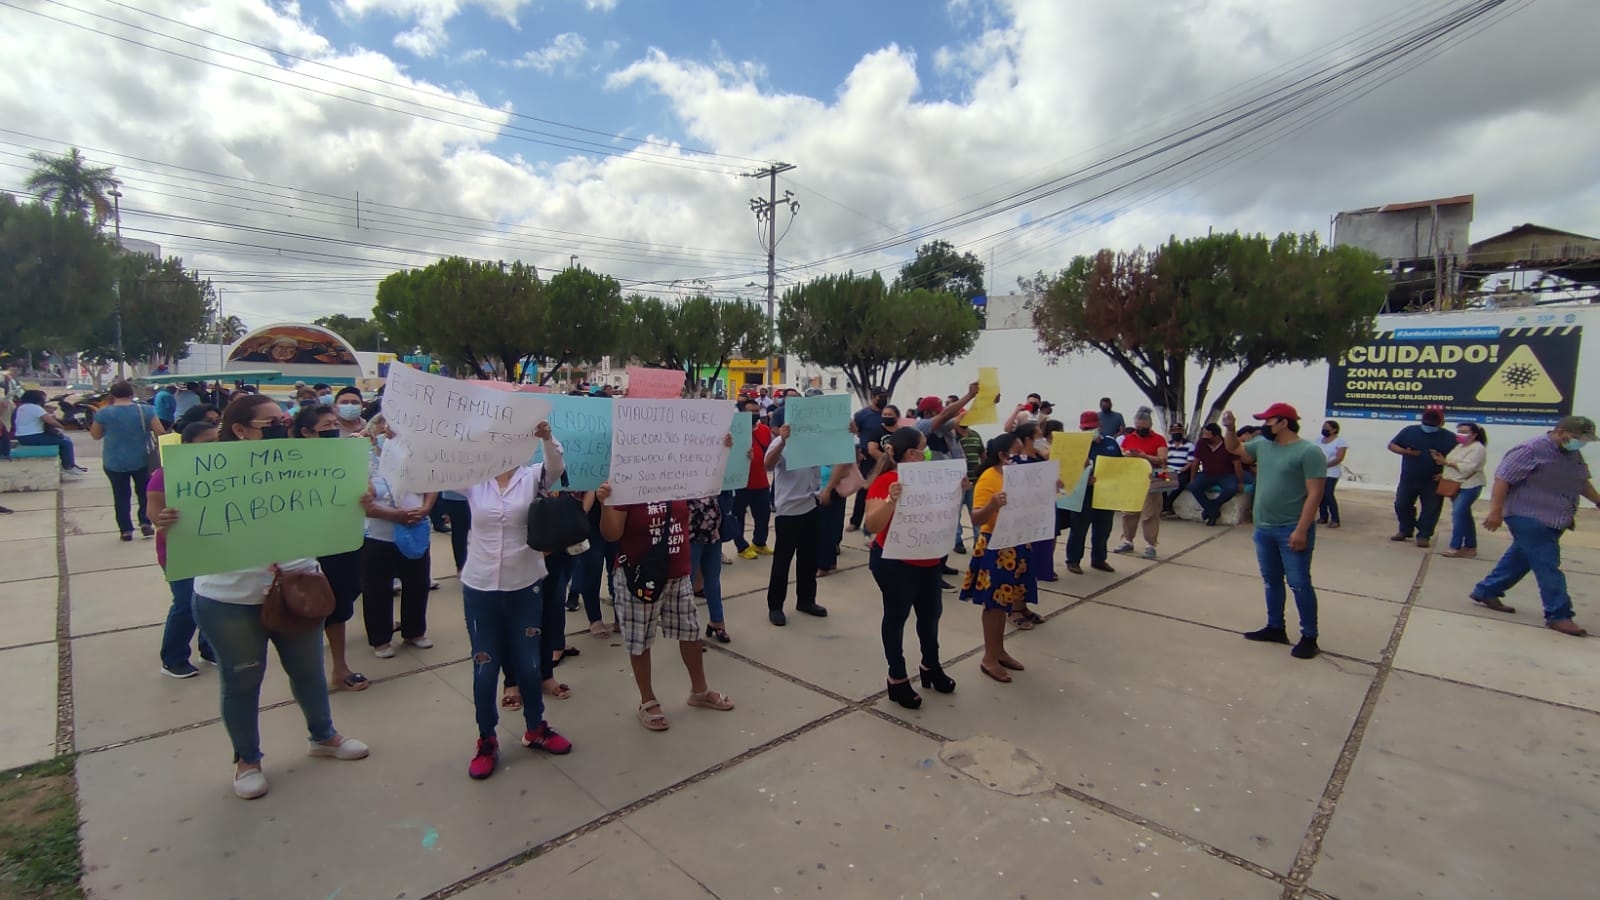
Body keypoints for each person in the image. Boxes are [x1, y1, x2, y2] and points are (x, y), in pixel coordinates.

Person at [154, 394, 369, 799]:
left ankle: (323, 736)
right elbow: (179, 525)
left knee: (307, 670)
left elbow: (332, 509)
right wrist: (169, 522)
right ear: (240, 429)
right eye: (271, 421)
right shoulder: (205, 471)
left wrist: (357, 501)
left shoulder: (304, 462)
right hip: (229, 598)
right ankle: (247, 760)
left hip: (299, 585)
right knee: (242, 679)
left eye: (283, 419)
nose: (283, 424)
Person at [459, 420, 574, 779]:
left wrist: (547, 437)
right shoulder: (473, 478)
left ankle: (536, 727)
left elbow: (557, 466)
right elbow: (429, 469)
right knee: (485, 669)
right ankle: (486, 739)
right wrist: (399, 442)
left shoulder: (532, 476)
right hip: (480, 588)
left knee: (527, 665)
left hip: (525, 584)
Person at [597, 482, 735, 732]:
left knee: (691, 631)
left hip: (678, 572)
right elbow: (612, 534)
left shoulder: (677, 478)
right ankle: (647, 700)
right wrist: (605, 503)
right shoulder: (625, 482)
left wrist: (724, 447)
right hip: (640, 576)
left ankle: (699, 690)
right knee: (640, 640)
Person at [1470, 416, 1598, 636]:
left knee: (1520, 558)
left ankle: (1486, 590)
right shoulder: (1530, 449)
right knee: (1547, 564)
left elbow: (1581, 481)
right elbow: (1503, 479)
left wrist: (1598, 500)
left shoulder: (1572, 453)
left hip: (1556, 518)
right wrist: (1495, 512)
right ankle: (1559, 614)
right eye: (1576, 438)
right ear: (1559, 431)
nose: (1580, 442)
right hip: (1527, 515)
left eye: (1584, 439)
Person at [1223, 402, 1327, 660]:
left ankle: (1309, 637)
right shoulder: (1263, 446)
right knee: (1271, 581)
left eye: (1268, 421)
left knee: (1300, 584)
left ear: (1283, 422)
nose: (1264, 426)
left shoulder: (1309, 452)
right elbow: (1234, 448)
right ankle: (1275, 627)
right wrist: (1230, 428)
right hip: (1264, 528)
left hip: (1292, 528)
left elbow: (1315, 493)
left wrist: (1302, 529)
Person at [865, 427, 958, 708]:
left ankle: (930, 665)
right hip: (894, 563)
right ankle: (897, 677)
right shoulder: (888, 481)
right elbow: (872, 524)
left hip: (928, 561)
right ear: (911, 453)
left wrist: (955, 490)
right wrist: (892, 500)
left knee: (930, 617)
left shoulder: (933, 480)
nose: (927, 452)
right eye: (923, 447)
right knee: (896, 618)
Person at [291, 405, 369, 692]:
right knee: (307, 608)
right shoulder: (287, 462)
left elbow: (365, 491)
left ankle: (339, 667)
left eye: (336, 422)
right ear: (306, 432)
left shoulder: (346, 456)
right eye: (327, 424)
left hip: (341, 542)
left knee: (339, 603)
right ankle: (316, 671)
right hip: (304, 546)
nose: (334, 427)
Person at [359, 416, 437, 659]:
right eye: (385, 427)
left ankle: (414, 631)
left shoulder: (415, 455)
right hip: (378, 536)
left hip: (415, 532)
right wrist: (395, 516)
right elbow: (364, 503)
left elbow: (432, 484)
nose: (389, 431)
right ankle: (380, 639)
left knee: (417, 583)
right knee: (377, 589)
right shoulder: (363, 458)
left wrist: (424, 509)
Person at [146, 421, 217, 678]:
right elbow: (153, 511)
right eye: (207, 442)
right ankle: (173, 657)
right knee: (186, 603)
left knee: (212, 601)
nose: (215, 447)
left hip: (214, 549)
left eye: (217, 440)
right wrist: (162, 519)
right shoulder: (164, 475)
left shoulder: (225, 473)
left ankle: (209, 649)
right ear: (187, 446)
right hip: (179, 551)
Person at [959, 432, 1031, 682]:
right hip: (995, 546)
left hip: (1015, 543)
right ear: (1002, 455)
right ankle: (989, 657)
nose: (1022, 456)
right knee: (993, 604)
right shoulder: (989, 478)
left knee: (1006, 602)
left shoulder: (1019, 477)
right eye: (1017, 451)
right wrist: (993, 505)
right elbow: (977, 518)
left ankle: (999, 650)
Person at [763, 423, 842, 626]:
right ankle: (775, 606)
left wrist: (847, 433)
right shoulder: (782, 442)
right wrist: (782, 441)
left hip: (811, 506)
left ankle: (806, 600)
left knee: (808, 559)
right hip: (788, 511)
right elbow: (768, 465)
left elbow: (840, 456)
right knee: (782, 561)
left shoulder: (816, 444)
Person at [89, 381, 166, 541]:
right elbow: (160, 431)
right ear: (131, 393)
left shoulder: (103, 413)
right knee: (145, 492)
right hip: (142, 458)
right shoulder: (146, 410)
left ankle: (126, 530)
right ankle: (145, 523)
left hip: (113, 460)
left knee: (121, 495)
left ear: (111, 395)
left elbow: (95, 435)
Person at [1388, 408, 1459, 548]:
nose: (1429, 426)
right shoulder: (1409, 431)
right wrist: (1405, 452)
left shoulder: (1450, 437)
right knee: (1401, 504)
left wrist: (1445, 473)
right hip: (1409, 478)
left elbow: (1457, 459)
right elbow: (1392, 445)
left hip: (1433, 480)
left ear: (1441, 423)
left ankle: (1424, 535)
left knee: (1431, 508)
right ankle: (1405, 530)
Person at [1065, 411, 1122, 574]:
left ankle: (1099, 559)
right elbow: (1067, 471)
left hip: (1105, 492)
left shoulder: (1111, 443)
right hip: (1083, 493)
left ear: (1100, 425)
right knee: (1079, 528)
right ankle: (1073, 560)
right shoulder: (1074, 445)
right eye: (1085, 429)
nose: (1089, 432)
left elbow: (1120, 466)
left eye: (1092, 428)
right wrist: (1083, 479)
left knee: (1103, 528)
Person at [1113, 407, 1168, 559]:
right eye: (1138, 427)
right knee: (1129, 512)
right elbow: (1120, 455)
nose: (1140, 430)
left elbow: (1162, 459)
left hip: (1151, 479)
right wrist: (1127, 455)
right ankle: (1128, 540)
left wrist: (1146, 456)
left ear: (1150, 426)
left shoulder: (1158, 439)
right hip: (1132, 479)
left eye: (1144, 428)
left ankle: (1151, 544)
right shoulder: (1129, 438)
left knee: (1150, 514)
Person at [1436, 422, 1489, 559]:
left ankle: (1455, 546)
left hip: (1470, 485)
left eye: (1464, 431)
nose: (1460, 434)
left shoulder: (1478, 448)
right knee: (1464, 516)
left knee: (1458, 514)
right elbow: (1451, 463)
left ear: (1474, 434)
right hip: (1456, 484)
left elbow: (1468, 468)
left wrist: (1446, 462)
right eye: (1459, 431)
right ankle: (1471, 547)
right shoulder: (1459, 447)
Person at [732, 398, 774, 559]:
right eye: (750, 411)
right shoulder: (733, 430)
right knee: (738, 516)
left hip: (761, 482)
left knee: (763, 515)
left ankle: (759, 542)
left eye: (756, 411)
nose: (754, 414)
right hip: (740, 483)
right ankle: (741, 546)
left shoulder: (764, 430)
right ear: (741, 412)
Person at [848, 386, 891, 533]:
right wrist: (858, 451)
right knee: (863, 490)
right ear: (873, 397)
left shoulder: (888, 414)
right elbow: (855, 432)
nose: (883, 399)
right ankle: (855, 521)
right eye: (880, 396)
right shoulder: (862, 415)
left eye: (885, 396)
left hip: (886, 458)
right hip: (867, 458)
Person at [689, 494, 731, 642]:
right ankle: (689, 631)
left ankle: (717, 620)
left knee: (713, 579)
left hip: (713, 529)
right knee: (688, 581)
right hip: (690, 531)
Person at [13, 390, 85, 474]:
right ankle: (68, 467)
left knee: (65, 439)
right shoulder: (35, 407)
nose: (44, 400)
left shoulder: (22, 407)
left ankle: (70, 464)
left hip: (23, 436)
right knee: (65, 443)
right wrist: (62, 427)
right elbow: (49, 420)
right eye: (43, 398)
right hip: (31, 437)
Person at [955, 420, 985, 552]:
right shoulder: (952, 437)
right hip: (958, 485)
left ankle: (978, 541)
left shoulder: (975, 435)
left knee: (976, 512)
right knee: (956, 515)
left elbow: (982, 455)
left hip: (975, 482)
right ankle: (957, 542)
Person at [1317, 421, 1348, 528]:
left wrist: (1325, 465)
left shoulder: (1340, 441)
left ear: (1334, 429)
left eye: (1327, 427)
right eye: (1323, 427)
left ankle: (1335, 519)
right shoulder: (1318, 440)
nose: (1324, 429)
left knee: (1328, 494)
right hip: (1319, 472)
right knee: (1319, 495)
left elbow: (1339, 457)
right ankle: (1323, 517)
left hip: (1332, 472)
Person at [1162, 424, 1193, 516]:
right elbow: (1163, 459)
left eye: (1178, 430)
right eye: (1174, 431)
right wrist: (1165, 469)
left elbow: (1190, 462)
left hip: (1183, 471)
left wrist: (1179, 471)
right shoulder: (1167, 445)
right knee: (1157, 481)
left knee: (1180, 483)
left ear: (1182, 432)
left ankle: (1166, 506)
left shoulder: (1189, 445)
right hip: (1169, 470)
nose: (1176, 433)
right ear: (1170, 432)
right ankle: (1166, 507)